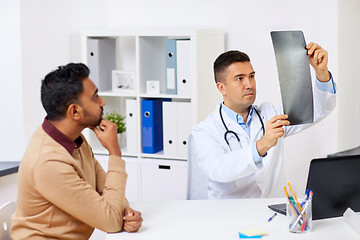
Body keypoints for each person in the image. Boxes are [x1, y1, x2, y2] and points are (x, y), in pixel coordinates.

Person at [11, 63, 142, 239]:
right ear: (75, 111)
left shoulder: (74, 139)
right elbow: (110, 221)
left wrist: (126, 214)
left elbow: (107, 193)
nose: (102, 102)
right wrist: (114, 153)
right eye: (95, 97)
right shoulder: (48, 162)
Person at [189, 42, 336, 199]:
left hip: (272, 211)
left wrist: (321, 72)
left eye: (251, 76)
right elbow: (218, 169)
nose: (249, 84)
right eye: (239, 79)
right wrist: (262, 145)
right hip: (231, 216)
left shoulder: (270, 114)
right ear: (221, 88)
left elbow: (318, 110)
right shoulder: (205, 130)